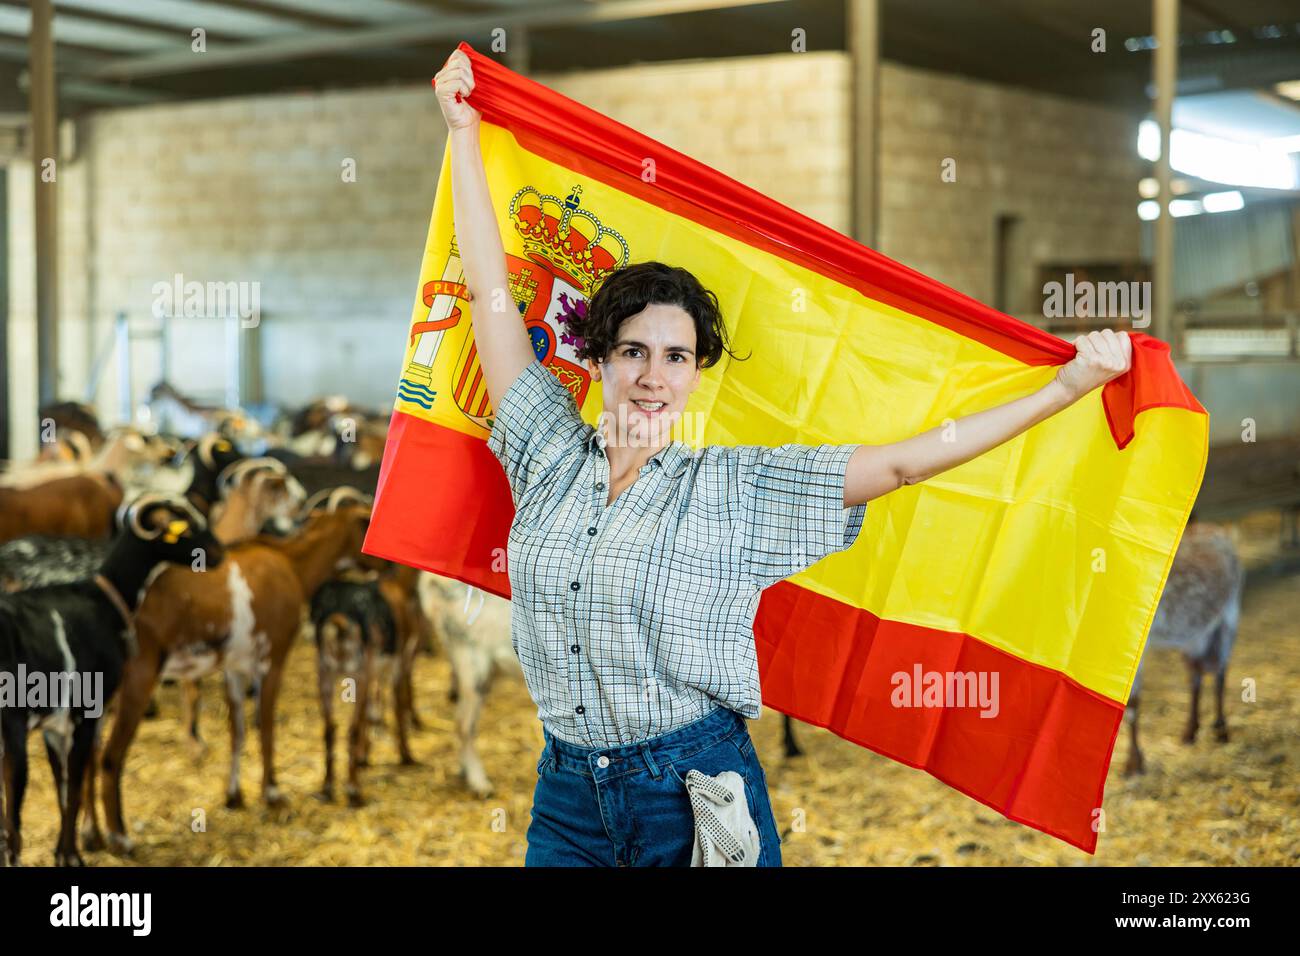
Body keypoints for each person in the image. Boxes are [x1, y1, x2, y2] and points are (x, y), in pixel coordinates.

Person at [433, 48, 1132, 867]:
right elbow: (488, 299)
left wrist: (1066, 389)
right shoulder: (545, 451)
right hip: (566, 799)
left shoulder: (732, 489)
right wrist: (462, 134)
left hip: (693, 792)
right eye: (634, 351)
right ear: (597, 358)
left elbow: (905, 463)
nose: (654, 376)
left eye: (677, 356)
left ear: (697, 375)